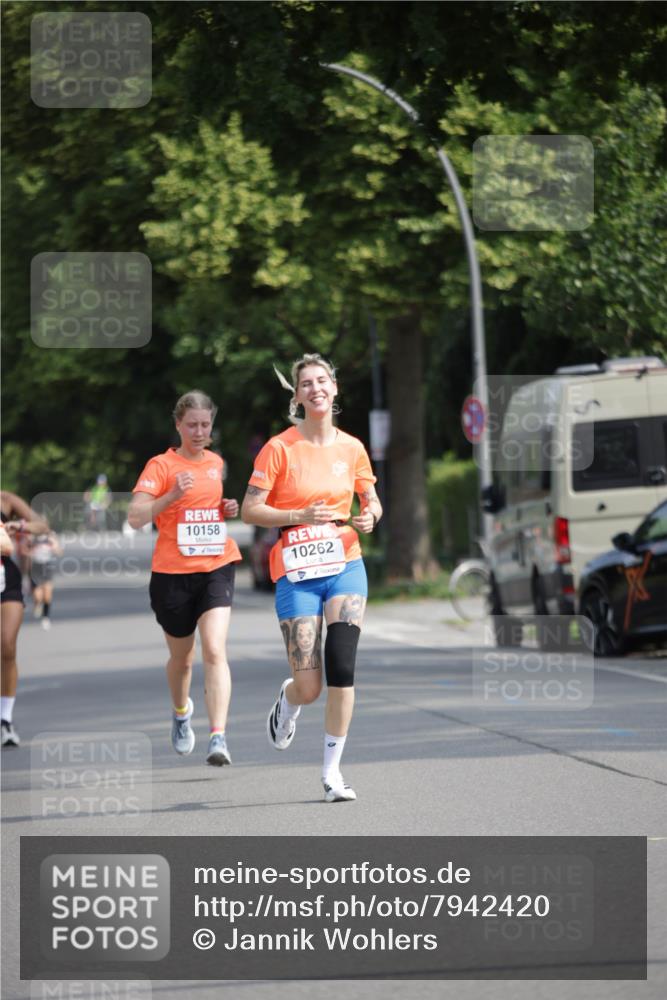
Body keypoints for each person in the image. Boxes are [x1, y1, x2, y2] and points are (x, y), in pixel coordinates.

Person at [241, 353, 382, 803]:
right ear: (297, 395)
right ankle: (288, 700)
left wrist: (371, 516)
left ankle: (331, 773)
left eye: (323, 381)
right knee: (310, 685)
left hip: (345, 564)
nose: (316, 388)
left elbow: (371, 499)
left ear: (335, 388)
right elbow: (250, 509)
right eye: (307, 383)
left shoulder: (352, 447)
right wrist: (297, 513)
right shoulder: (279, 449)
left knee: (343, 667)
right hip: (297, 573)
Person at [127, 391, 242, 766]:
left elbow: (208, 513)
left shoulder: (216, 462)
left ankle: (218, 736)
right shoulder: (160, 465)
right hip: (172, 573)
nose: (198, 431)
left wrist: (227, 509)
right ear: (178, 425)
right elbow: (136, 517)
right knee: (183, 659)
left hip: (215, 565)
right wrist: (172, 494)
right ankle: (181, 712)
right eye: (191, 424)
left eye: (205, 425)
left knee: (214, 648)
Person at [1, 491, 49, 748]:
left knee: (7, 646)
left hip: (5, 579)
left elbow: (42, 525)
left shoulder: (5, 499)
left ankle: (5, 720)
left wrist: (18, 526)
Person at [29, 530, 63, 630]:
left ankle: (45, 617)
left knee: (47, 594)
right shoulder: (32, 536)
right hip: (35, 567)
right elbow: (23, 551)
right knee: (38, 596)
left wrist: (53, 547)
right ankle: (37, 604)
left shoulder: (50, 536)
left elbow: (59, 552)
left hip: (47, 567)